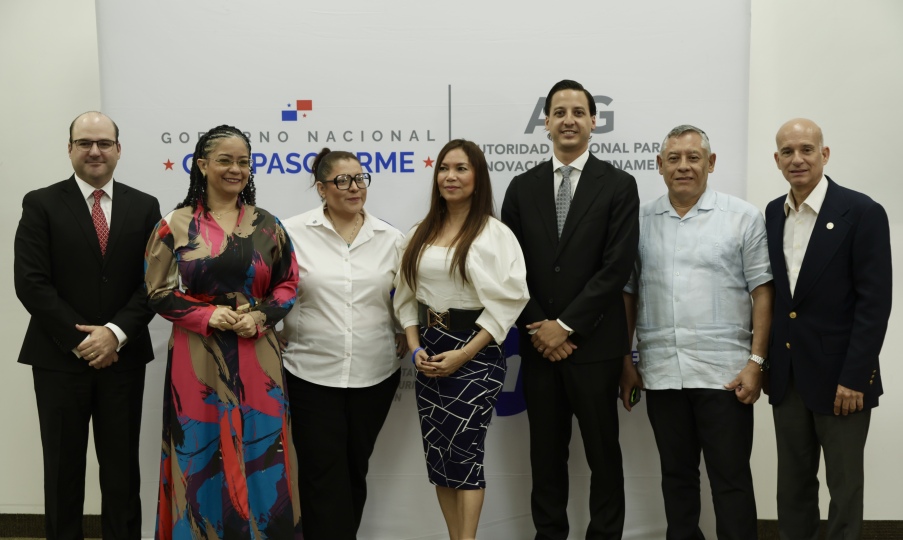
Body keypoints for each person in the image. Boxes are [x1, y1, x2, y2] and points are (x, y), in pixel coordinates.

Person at [144, 125, 301, 539]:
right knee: (200, 454)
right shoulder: (175, 224)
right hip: (197, 357)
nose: (236, 169)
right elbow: (157, 292)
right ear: (202, 165)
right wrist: (205, 316)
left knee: (264, 450)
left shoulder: (268, 224)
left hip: (258, 354)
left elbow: (288, 284)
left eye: (243, 162)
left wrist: (261, 316)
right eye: (225, 160)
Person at [501, 79, 640, 540]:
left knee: (604, 455)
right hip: (539, 346)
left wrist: (565, 325)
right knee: (545, 457)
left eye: (578, 112)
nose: (568, 120)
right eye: (559, 112)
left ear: (593, 122)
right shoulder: (521, 188)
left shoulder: (619, 185)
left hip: (595, 347)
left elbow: (616, 267)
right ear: (545, 122)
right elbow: (510, 270)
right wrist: (542, 327)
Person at [620, 125, 774, 539]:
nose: (683, 166)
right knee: (677, 478)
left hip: (725, 374)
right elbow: (628, 293)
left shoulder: (742, 216)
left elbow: (762, 291)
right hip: (662, 373)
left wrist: (756, 362)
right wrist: (625, 360)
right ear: (659, 165)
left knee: (731, 479)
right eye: (674, 158)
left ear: (711, 163)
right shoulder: (640, 220)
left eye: (693, 157)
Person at [13, 111, 161, 540]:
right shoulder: (40, 203)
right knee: (62, 471)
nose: (94, 151)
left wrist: (113, 334)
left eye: (103, 143)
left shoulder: (145, 206)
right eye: (84, 143)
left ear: (118, 149)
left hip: (123, 358)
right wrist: (82, 340)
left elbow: (153, 282)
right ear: (70, 149)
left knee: (122, 471)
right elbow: (31, 282)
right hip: (59, 358)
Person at [394, 139, 528, 540]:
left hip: (476, 354)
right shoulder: (419, 232)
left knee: (466, 454)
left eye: (461, 169)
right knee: (439, 456)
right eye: (444, 168)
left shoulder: (495, 234)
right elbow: (405, 297)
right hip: (429, 351)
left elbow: (510, 300)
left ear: (478, 177)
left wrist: (465, 353)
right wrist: (415, 348)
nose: (450, 177)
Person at [765, 118, 892, 540]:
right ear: (777, 159)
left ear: (825, 154)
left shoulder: (862, 212)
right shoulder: (773, 213)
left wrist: (856, 377)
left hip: (843, 381)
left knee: (844, 488)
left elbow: (874, 304)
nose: (797, 159)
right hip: (787, 377)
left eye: (806, 149)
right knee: (792, 488)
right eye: (787, 151)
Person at [280, 148, 406, 540]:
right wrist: (272, 328)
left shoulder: (390, 238)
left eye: (360, 178)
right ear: (322, 188)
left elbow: (405, 298)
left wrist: (405, 331)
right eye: (343, 180)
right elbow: (272, 290)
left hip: (375, 372)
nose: (355, 187)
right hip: (310, 372)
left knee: (354, 468)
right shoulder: (290, 233)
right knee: (321, 472)